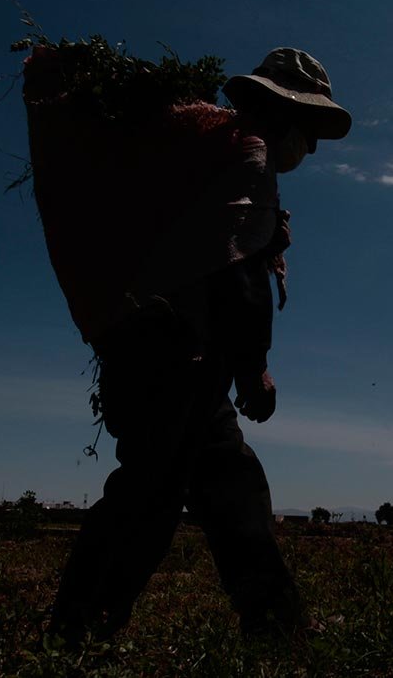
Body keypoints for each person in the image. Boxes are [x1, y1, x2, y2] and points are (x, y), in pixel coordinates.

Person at [47, 48, 352, 642]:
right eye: (310, 129)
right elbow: (235, 271)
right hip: (176, 354)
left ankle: (278, 622)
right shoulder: (247, 154)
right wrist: (254, 370)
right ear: (284, 111)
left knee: (230, 485)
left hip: (162, 351)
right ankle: (77, 632)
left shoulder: (207, 150)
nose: (311, 147)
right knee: (149, 495)